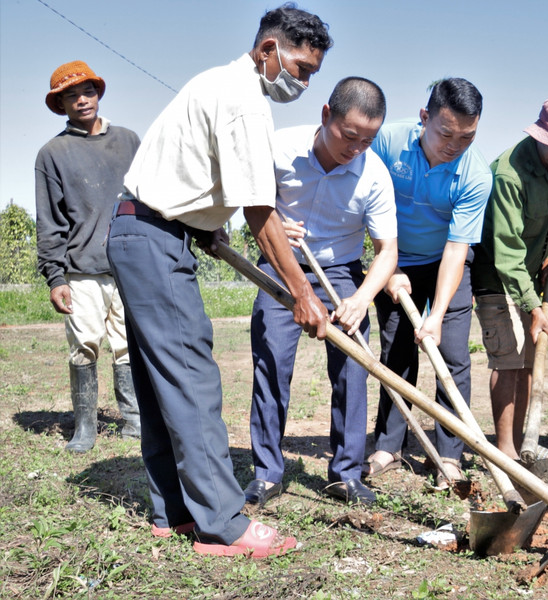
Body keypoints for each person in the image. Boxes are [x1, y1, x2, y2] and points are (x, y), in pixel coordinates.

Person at [106, 4, 332, 558]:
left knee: (162, 383)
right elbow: (260, 209)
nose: (302, 82)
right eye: (301, 68)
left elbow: (196, 183)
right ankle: (223, 525)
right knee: (191, 376)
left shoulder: (219, 84)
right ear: (268, 51)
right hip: (154, 240)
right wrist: (302, 293)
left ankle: (174, 513)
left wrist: (208, 232)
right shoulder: (243, 101)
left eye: (312, 75)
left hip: (144, 231)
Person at [245, 77, 396, 508]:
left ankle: (347, 473)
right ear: (326, 115)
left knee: (355, 366)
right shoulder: (279, 148)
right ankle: (266, 473)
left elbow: (388, 251)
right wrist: (273, 219)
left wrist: (362, 298)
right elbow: (250, 205)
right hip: (282, 265)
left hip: (343, 273)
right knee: (271, 359)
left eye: (368, 140)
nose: (356, 149)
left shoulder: (374, 175)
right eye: (349, 137)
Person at [366, 78, 492, 489]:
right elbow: (364, 199)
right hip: (395, 258)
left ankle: (449, 457)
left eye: (467, 137)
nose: (455, 144)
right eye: (446, 133)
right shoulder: (387, 141)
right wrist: (389, 263)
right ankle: (388, 445)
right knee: (396, 353)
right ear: (425, 118)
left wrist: (436, 315)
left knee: (453, 358)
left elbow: (458, 249)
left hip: (445, 263)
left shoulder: (475, 175)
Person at [471, 98, 548, 459]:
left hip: (531, 276)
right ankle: (505, 450)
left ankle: (525, 443)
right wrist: (532, 305)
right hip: (497, 275)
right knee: (508, 360)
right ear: (541, 135)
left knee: (529, 362)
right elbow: (507, 250)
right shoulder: (509, 175)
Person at [35, 60, 142, 453]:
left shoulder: (129, 140)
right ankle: (85, 427)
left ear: (98, 93)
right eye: (71, 95)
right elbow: (50, 221)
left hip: (130, 264)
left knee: (128, 343)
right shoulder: (53, 154)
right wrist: (55, 277)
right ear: (59, 104)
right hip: (81, 270)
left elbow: (148, 200)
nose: (82, 100)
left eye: (88, 91)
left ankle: (133, 420)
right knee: (85, 344)